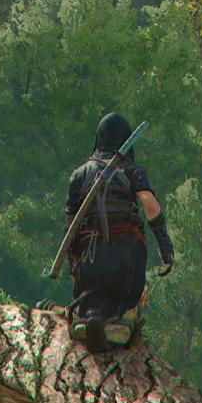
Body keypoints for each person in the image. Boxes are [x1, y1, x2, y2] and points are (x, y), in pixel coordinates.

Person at [55, 111, 171, 350]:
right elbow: (149, 204)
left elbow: (71, 228)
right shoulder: (132, 171)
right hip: (126, 258)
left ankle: (86, 318)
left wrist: (74, 267)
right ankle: (121, 324)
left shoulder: (79, 174)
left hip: (91, 259)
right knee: (124, 295)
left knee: (90, 295)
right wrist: (165, 249)